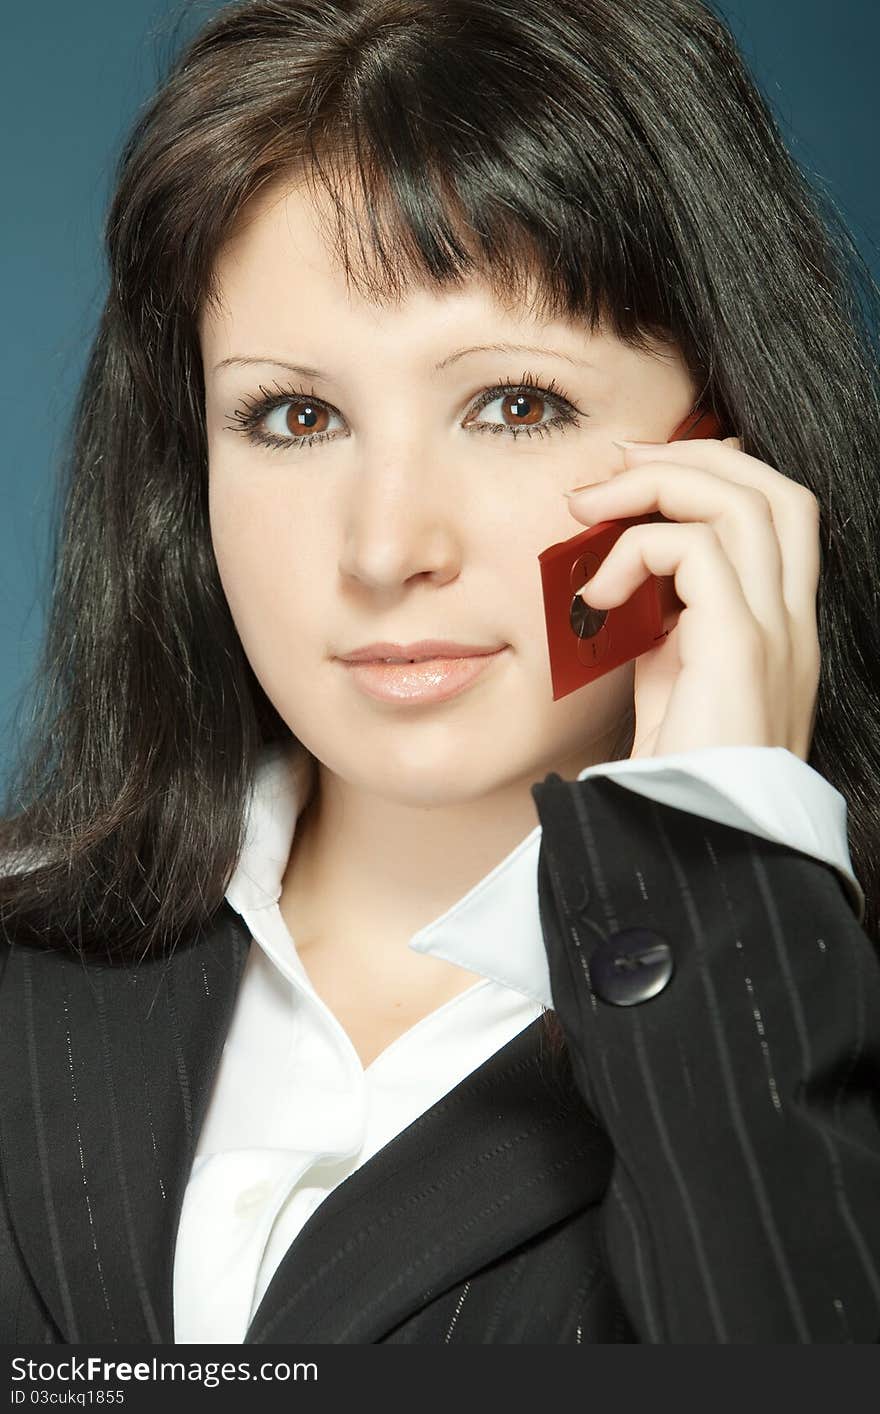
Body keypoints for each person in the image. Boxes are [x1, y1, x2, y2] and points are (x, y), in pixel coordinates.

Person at [1, 0, 879, 1346]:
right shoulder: (29, 964)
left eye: (516, 404)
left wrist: (715, 867)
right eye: (295, 416)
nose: (387, 545)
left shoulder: (815, 992)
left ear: (724, 449)